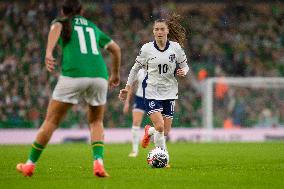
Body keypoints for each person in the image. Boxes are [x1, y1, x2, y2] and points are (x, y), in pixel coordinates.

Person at [16, 0, 121, 178]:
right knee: (96, 122)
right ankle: (99, 164)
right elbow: (116, 49)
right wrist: (115, 74)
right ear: (82, 10)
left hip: (73, 74)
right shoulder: (92, 27)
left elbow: (55, 28)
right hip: (99, 75)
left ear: (63, 11)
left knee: (51, 121)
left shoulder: (61, 22)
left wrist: (48, 52)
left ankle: (29, 165)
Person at [119, 14, 189, 159]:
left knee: (165, 130)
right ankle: (163, 156)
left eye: (162, 29)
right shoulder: (146, 49)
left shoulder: (176, 48)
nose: (159, 32)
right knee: (160, 127)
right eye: (156, 29)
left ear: (167, 31)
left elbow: (185, 66)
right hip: (151, 91)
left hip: (170, 92)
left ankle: (149, 132)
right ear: (153, 32)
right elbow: (134, 69)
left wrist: (184, 71)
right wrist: (127, 87)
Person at [123, 69, 147, 157]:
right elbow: (131, 86)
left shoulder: (156, 67)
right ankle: (134, 150)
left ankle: (150, 134)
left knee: (158, 124)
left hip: (153, 97)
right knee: (136, 123)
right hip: (140, 98)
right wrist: (127, 102)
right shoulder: (140, 71)